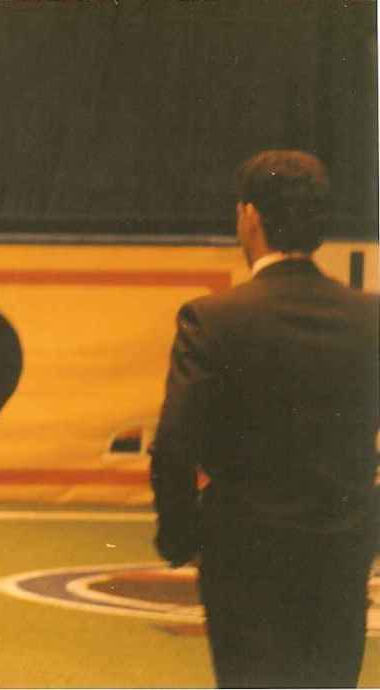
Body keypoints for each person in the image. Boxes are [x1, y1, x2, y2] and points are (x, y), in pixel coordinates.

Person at [150, 150, 379, 688]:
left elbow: (174, 445)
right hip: (339, 551)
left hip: (243, 554)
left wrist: (183, 539)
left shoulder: (213, 319)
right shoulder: (369, 320)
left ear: (250, 217)